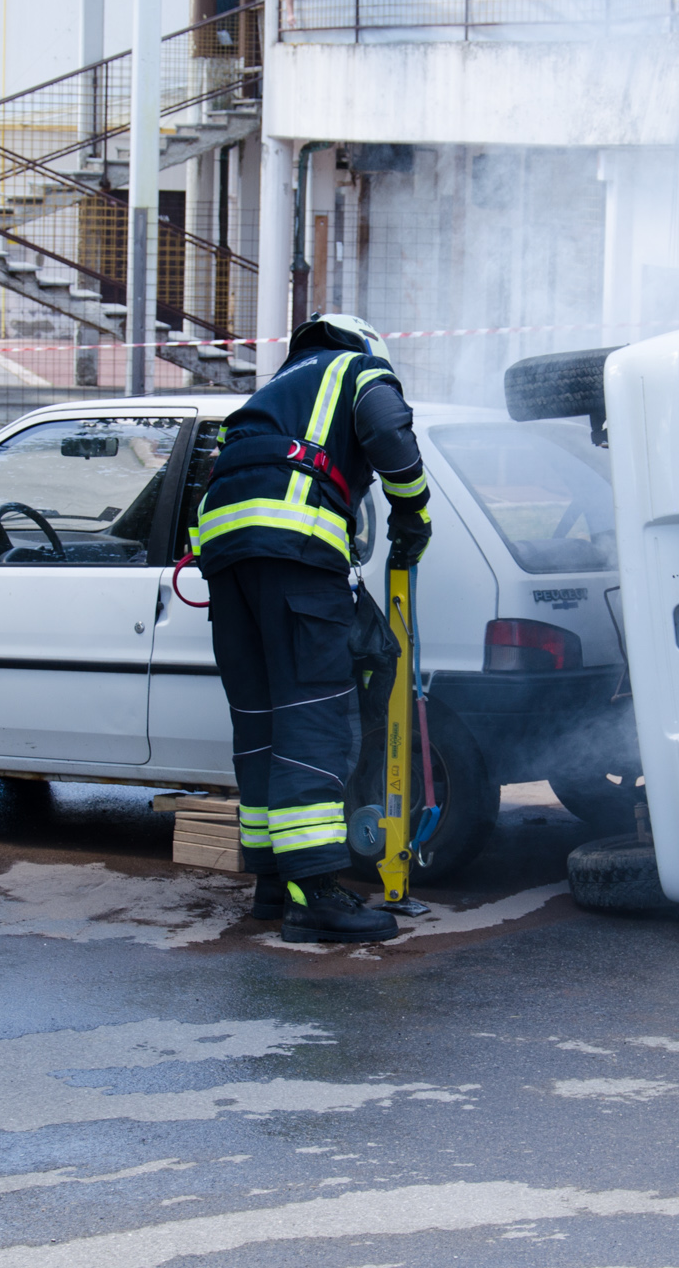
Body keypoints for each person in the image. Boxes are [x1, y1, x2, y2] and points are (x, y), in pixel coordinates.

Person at [191, 314, 432, 944]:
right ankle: (316, 896)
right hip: (296, 556)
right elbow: (388, 429)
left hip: (227, 564)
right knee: (313, 718)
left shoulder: (272, 394)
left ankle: (274, 884)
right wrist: (413, 513)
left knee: (261, 724)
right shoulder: (357, 368)